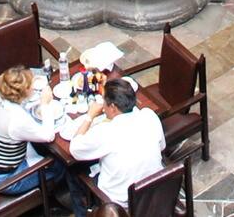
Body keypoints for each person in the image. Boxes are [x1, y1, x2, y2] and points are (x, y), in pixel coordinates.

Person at [67, 77, 164, 206]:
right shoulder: (149, 115)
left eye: (103, 100)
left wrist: (89, 116)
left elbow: (75, 148)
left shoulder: (106, 131)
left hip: (120, 202)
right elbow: (162, 146)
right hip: (154, 189)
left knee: (72, 170)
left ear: (112, 107)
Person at [0, 66, 70, 204]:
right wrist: (45, 104)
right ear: (22, 92)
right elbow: (48, 136)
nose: (33, 86)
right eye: (30, 85)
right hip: (7, 179)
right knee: (62, 164)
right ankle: (55, 196)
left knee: (42, 149)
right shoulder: (16, 120)